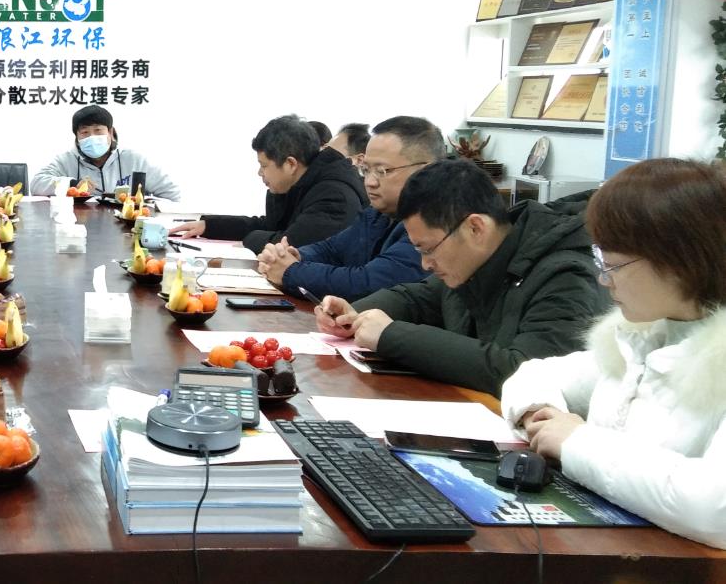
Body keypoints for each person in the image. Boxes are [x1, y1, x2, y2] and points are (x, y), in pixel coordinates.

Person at [500, 158, 726, 549]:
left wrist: (575, 443)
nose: (604, 280)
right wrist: (541, 414)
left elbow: (713, 507)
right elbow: (536, 374)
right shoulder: (643, 339)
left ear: (681, 262)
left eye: (614, 265)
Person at [314, 158, 606, 396]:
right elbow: (418, 298)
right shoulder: (477, 259)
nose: (425, 264)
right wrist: (354, 315)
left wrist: (390, 336)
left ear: (475, 228)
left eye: (429, 249)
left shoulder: (565, 275)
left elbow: (524, 373)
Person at [257, 116, 436, 301]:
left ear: (425, 170)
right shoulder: (377, 214)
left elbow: (367, 283)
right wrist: (296, 255)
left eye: (382, 171)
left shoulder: (433, 221)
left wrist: (290, 271)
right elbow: (332, 249)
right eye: (366, 170)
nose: (370, 182)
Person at [170, 114, 365, 253]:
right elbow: (270, 225)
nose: (259, 173)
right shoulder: (302, 183)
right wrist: (209, 226)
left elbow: (287, 245)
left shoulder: (334, 196)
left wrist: (249, 239)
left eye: (263, 165)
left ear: (290, 164)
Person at [31, 104, 181, 200]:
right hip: (80, 226)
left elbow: (172, 194)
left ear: (110, 132)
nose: (92, 137)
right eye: (85, 132)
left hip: (126, 231)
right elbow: (36, 184)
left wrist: (145, 204)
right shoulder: (66, 160)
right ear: (77, 137)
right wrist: (72, 184)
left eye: (98, 130)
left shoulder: (135, 160)